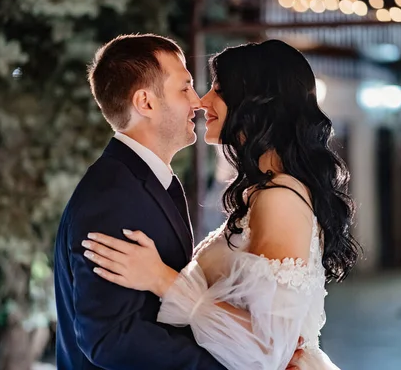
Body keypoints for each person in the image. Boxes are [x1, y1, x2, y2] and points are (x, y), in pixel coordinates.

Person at [83, 40, 360, 369]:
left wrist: (160, 278)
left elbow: (268, 348)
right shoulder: (267, 192)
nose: (202, 101)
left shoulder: (280, 199)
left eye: (218, 89)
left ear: (255, 103)